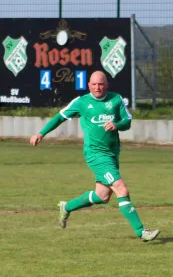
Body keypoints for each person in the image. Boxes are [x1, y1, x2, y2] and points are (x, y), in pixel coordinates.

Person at [29, 71, 160, 242]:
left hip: (112, 153)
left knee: (102, 196)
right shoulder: (82, 102)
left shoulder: (116, 99)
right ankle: (142, 232)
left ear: (106, 85)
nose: (97, 87)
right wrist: (41, 133)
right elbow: (60, 117)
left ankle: (66, 206)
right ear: (89, 85)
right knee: (121, 189)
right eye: (94, 84)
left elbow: (127, 122)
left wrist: (116, 124)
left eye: (101, 84)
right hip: (95, 154)